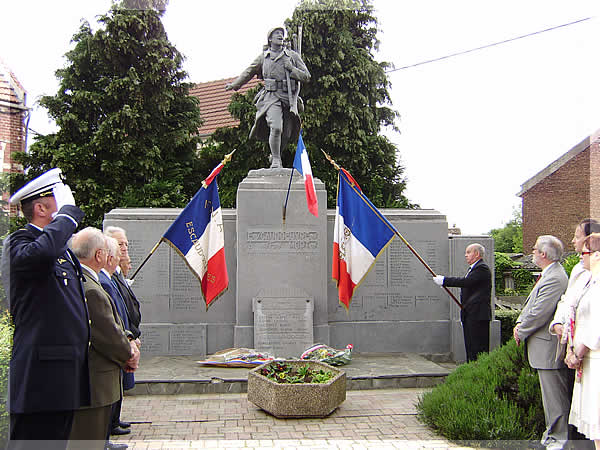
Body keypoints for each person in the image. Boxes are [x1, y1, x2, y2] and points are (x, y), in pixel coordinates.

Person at [1, 168, 91, 449]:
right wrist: (66, 217)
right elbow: (40, 254)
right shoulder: (20, 242)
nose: (68, 206)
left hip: (63, 377)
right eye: (59, 201)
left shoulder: (58, 249)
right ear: (41, 208)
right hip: (40, 380)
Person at [69, 228, 139, 450]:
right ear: (99, 255)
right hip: (95, 381)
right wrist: (129, 354)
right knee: (91, 441)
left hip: (91, 378)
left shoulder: (82, 279)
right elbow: (106, 331)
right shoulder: (91, 288)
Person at [226, 26, 311, 168]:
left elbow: (306, 76)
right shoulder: (264, 57)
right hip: (271, 96)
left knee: (287, 133)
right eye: (277, 33)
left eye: (282, 34)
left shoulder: (292, 56)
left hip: (288, 97)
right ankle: (277, 160)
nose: (280, 36)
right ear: (270, 38)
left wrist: (291, 69)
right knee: (276, 128)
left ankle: (275, 154)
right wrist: (235, 85)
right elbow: (249, 71)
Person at [514, 235, 569, 450]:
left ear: (544, 254)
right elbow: (532, 307)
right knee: (550, 400)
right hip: (543, 348)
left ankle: (558, 441)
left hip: (548, 349)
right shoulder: (549, 274)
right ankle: (552, 437)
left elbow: (540, 312)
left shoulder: (555, 277)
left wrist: (521, 330)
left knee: (556, 400)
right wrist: (520, 323)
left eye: (535, 249)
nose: (533, 252)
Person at [566, 234, 600, 449]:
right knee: (594, 425)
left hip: (595, 358)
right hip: (586, 360)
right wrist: (570, 347)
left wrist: (578, 352)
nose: (581, 258)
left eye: (584, 253)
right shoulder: (588, 280)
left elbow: (597, 323)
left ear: (597, 254)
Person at [99, 236, 135, 437]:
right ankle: (109, 426)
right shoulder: (105, 282)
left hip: (123, 337)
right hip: (114, 344)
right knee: (111, 389)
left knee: (117, 387)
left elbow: (123, 309)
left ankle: (113, 422)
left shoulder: (110, 280)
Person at [432, 243, 492, 362]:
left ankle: (477, 373)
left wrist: (445, 280)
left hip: (478, 316)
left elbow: (467, 282)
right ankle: (472, 370)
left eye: (468, 252)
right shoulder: (473, 269)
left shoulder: (482, 268)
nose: (466, 255)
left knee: (477, 349)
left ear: (477, 254)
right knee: (470, 348)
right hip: (470, 314)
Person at [104, 226, 142, 342]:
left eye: (126, 244)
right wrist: (129, 339)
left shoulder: (118, 273)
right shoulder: (108, 277)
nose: (125, 248)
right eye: (120, 244)